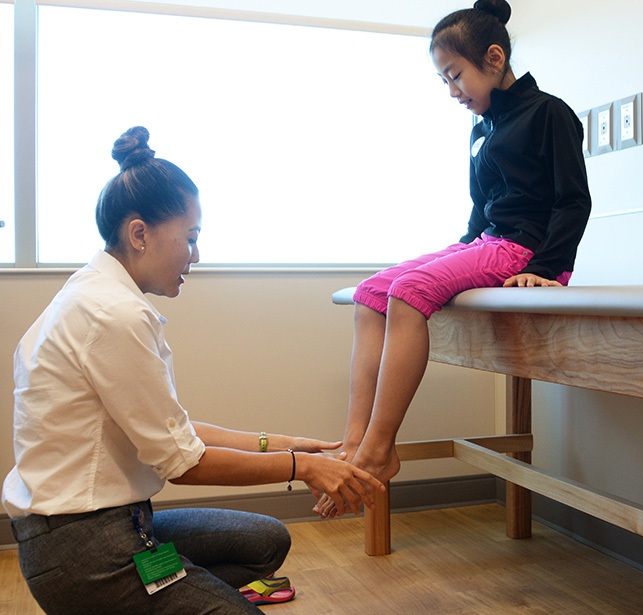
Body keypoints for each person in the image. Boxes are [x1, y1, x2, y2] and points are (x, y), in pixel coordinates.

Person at [2, 126, 385, 614]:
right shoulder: (113, 315)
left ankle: (168, 596)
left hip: (115, 527)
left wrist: (285, 443)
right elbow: (184, 464)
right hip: (88, 555)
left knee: (264, 542)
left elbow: (173, 431)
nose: (196, 256)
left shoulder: (94, 295)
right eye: (191, 238)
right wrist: (305, 467)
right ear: (140, 233)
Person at [324, 0, 590, 513]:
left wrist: (546, 268)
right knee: (371, 293)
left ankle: (379, 452)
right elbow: (480, 209)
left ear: (493, 59)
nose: (452, 92)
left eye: (455, 76)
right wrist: (458, 254)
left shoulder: (548, 113)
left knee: (409, 292)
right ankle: (354, 441)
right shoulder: (482, 129)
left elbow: (573, 199)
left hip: (524, 249)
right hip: (488, 242)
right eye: (443, 80)